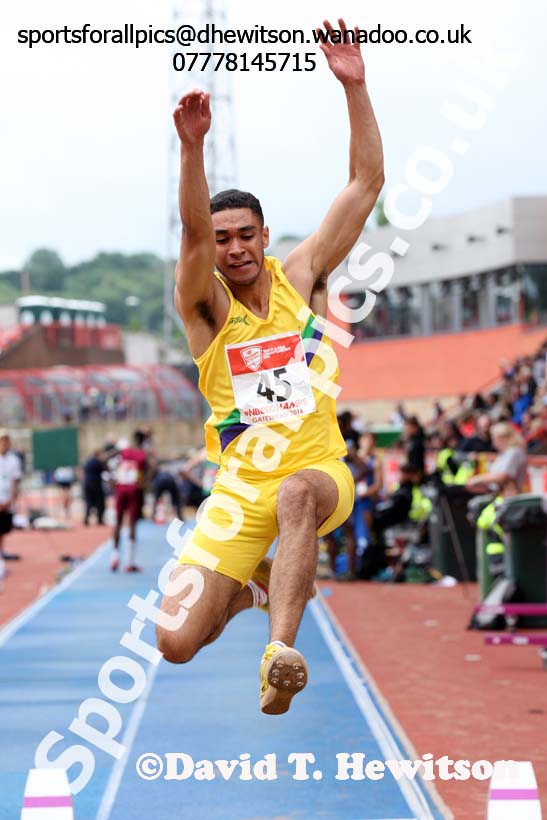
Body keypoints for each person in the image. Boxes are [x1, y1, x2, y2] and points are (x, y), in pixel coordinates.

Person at [157, 18, 383, 715]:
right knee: (174, 641)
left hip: (317, 474)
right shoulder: (207, 314)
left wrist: (354, 86)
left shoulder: (303, 275)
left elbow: (365, 181)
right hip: (237, 492)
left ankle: (279, 652)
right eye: (222, 239)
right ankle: (259, 584)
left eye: (244, 234)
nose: (232, 249)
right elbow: (192, 232)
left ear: (263, 232)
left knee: (295, 497)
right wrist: (191, 150)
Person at [111, 431, 149, 572]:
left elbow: (105, 459)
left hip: (121, 488)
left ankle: (114, 557)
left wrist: (112, 477)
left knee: (118, 522)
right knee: (132, 523)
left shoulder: (124, 451)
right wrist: (144, 482)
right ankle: (129, 562)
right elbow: (153, 467)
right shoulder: (142, 454)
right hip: (134, 489)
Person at [466, 422, 528, 495]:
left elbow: (503, 476)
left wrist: (477, 479)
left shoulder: (514, 452)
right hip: (498, 494)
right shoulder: (506, 453)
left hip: (509, 497)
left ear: (503, 438)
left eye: (495, 439)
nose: (493, 443)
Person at [0, 429, 23, 578]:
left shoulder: (14, 460)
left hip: (6, 502)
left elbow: (15, 481)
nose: (4, 444)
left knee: (2, 530)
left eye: (6, 441)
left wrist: (11, 500)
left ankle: (1, 553)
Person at [82, 449, 107, 526]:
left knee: (89, 502)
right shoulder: (98, 462)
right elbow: (105, 470)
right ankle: (99, 519)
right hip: (96, 484)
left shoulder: (88, 461)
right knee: (100, 503)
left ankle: (86, 519)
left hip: (87, 484)